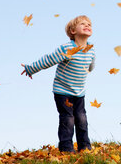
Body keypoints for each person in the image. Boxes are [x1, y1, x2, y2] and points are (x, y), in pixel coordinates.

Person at [21, 15, 95, 153]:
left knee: (81, 119)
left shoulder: (91, 49)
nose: (87, 26)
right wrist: (31, 68)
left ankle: (85, 147)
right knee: (68, 119)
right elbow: (49, 59)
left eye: (89, 24)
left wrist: (89, 68)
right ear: (73, 31)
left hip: (79, 92)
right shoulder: (67, 48)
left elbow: (91, 65)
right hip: (63, 91)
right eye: (83, 24)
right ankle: (66, 148)